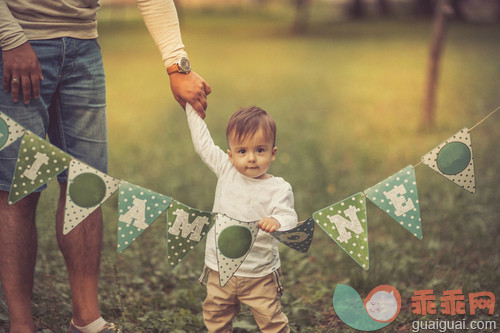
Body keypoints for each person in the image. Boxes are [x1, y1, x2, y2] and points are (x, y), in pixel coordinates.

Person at [0, 0, 211, 332]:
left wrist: (177, 66)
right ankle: (21, 325)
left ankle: (86, 318)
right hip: (18, 42)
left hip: (84, 47)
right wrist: (9, 40)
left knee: (87, 184)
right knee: (18, 188)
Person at [184, 103, 298, 333]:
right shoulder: (226, 170)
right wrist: (190, 106)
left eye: (260, 150)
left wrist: (278, 222)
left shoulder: (278, 188)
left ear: (273, 153)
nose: (252, 158)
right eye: (242, 151)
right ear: (231, 155)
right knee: (215, 314)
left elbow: (289, 217)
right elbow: (202, 145)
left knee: (271, 319)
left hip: (260, 274)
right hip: (219, 269)